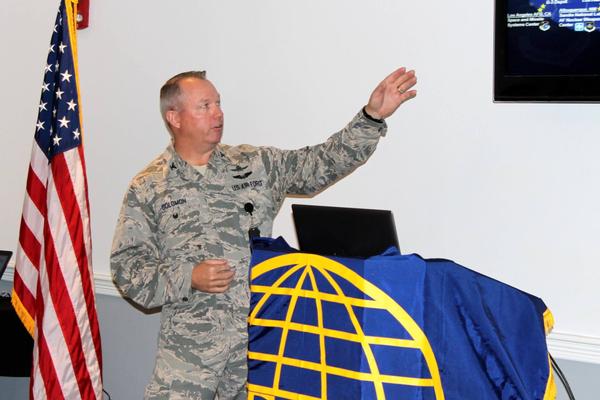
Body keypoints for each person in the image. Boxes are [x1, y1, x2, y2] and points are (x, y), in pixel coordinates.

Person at [110, 67, 417, 399]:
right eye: (205, 106)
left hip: (258, 348)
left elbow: (321, 163)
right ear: (175, 117)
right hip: (188, 355)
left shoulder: (256, 165)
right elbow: (127, 270)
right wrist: (189, 277)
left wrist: (370, 117)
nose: (218, 113)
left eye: (218, 103)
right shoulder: (149, 186)